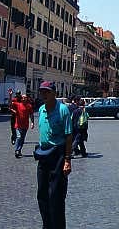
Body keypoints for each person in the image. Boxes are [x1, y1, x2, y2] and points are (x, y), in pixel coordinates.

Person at [36, 81, 72, 229]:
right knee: (42, 195)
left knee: (56, 196)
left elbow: (69, 136)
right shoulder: (41, 109)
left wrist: (67, 160)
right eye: (42, 91)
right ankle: (47, 225)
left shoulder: (63, 110)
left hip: (58, 156)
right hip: (43, 155)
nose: (44, 94)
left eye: (47, 91)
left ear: (54, 94)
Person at [10, 93, 34, 158]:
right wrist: (10, 95)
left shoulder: (29, 106)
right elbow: (10, 104)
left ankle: (19, 150)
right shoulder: (18, 104)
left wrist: (32, 122)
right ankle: (17, 150)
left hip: (25, 125)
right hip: (18, 125)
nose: (24, 98)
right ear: (21, 98)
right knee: (19, 137)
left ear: (27, 99)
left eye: (25, 97)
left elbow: (31, 114)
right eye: (23, 97)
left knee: (22, 139)